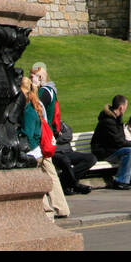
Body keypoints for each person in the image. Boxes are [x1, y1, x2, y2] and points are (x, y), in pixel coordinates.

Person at [30, 63, 93, 196]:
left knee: (52, 169)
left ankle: (70, 185)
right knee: (56, 167)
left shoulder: (44, 92)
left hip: (45, 140)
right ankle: (72, 186)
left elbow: (36, 110)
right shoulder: (51, 91)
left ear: (40, 78)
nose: (31, 81)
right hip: (53, 142)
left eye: (32, 77)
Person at [21, 76, 70, 218]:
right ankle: (62, 208)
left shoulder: (28, 108)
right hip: (44, 146)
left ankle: (47, 212)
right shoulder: (38, 104)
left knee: (38, 180)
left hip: (36, 148)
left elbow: (29, 133)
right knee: (51, 177)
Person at [90, 94, 131, 190]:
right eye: (126, 107)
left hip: (112, 149)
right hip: (103, 152)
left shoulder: (117, 119)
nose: (126, 109)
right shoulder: (108, 121)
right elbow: (119, 142)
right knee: (129, 151)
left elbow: (121, 139)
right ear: (121, 107)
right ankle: (120, 181)